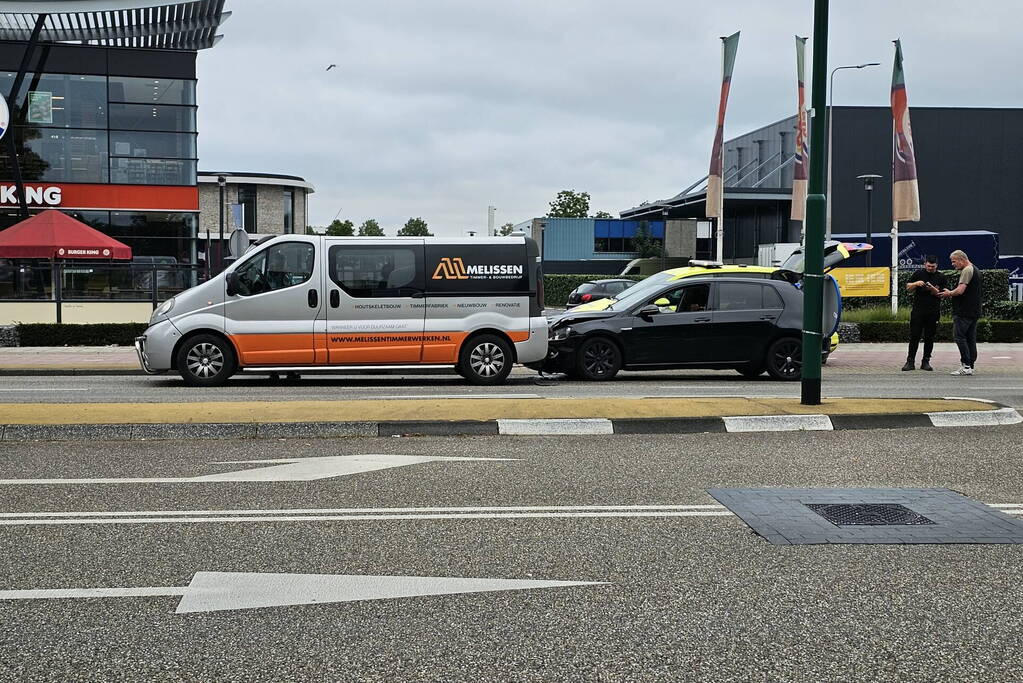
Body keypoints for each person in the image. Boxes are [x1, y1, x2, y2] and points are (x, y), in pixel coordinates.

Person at [939, 249, 983, 375]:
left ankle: (966, 365)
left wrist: (948, 293)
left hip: (964, 311)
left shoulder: (967, 270)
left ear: (961, 259)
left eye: (954, 261)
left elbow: (960, 290)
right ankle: (970, 366)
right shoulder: (975, 269)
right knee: (970, 338)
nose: (953, 264)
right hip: (974, 310)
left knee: (960, 337)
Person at [902, 255, 948, 371]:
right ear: (925, 264)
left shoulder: (941, 277)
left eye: (933, 266)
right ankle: (910, 361)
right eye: (928, 266)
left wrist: (932, 288)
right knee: (914, 336)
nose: (930, 268)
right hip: (918, 310)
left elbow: (941, 295)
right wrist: (915, 284)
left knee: (929, 337)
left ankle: (926, 361)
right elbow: (908, 288)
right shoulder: (918, 273)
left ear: (936, 265)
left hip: (933, 311)